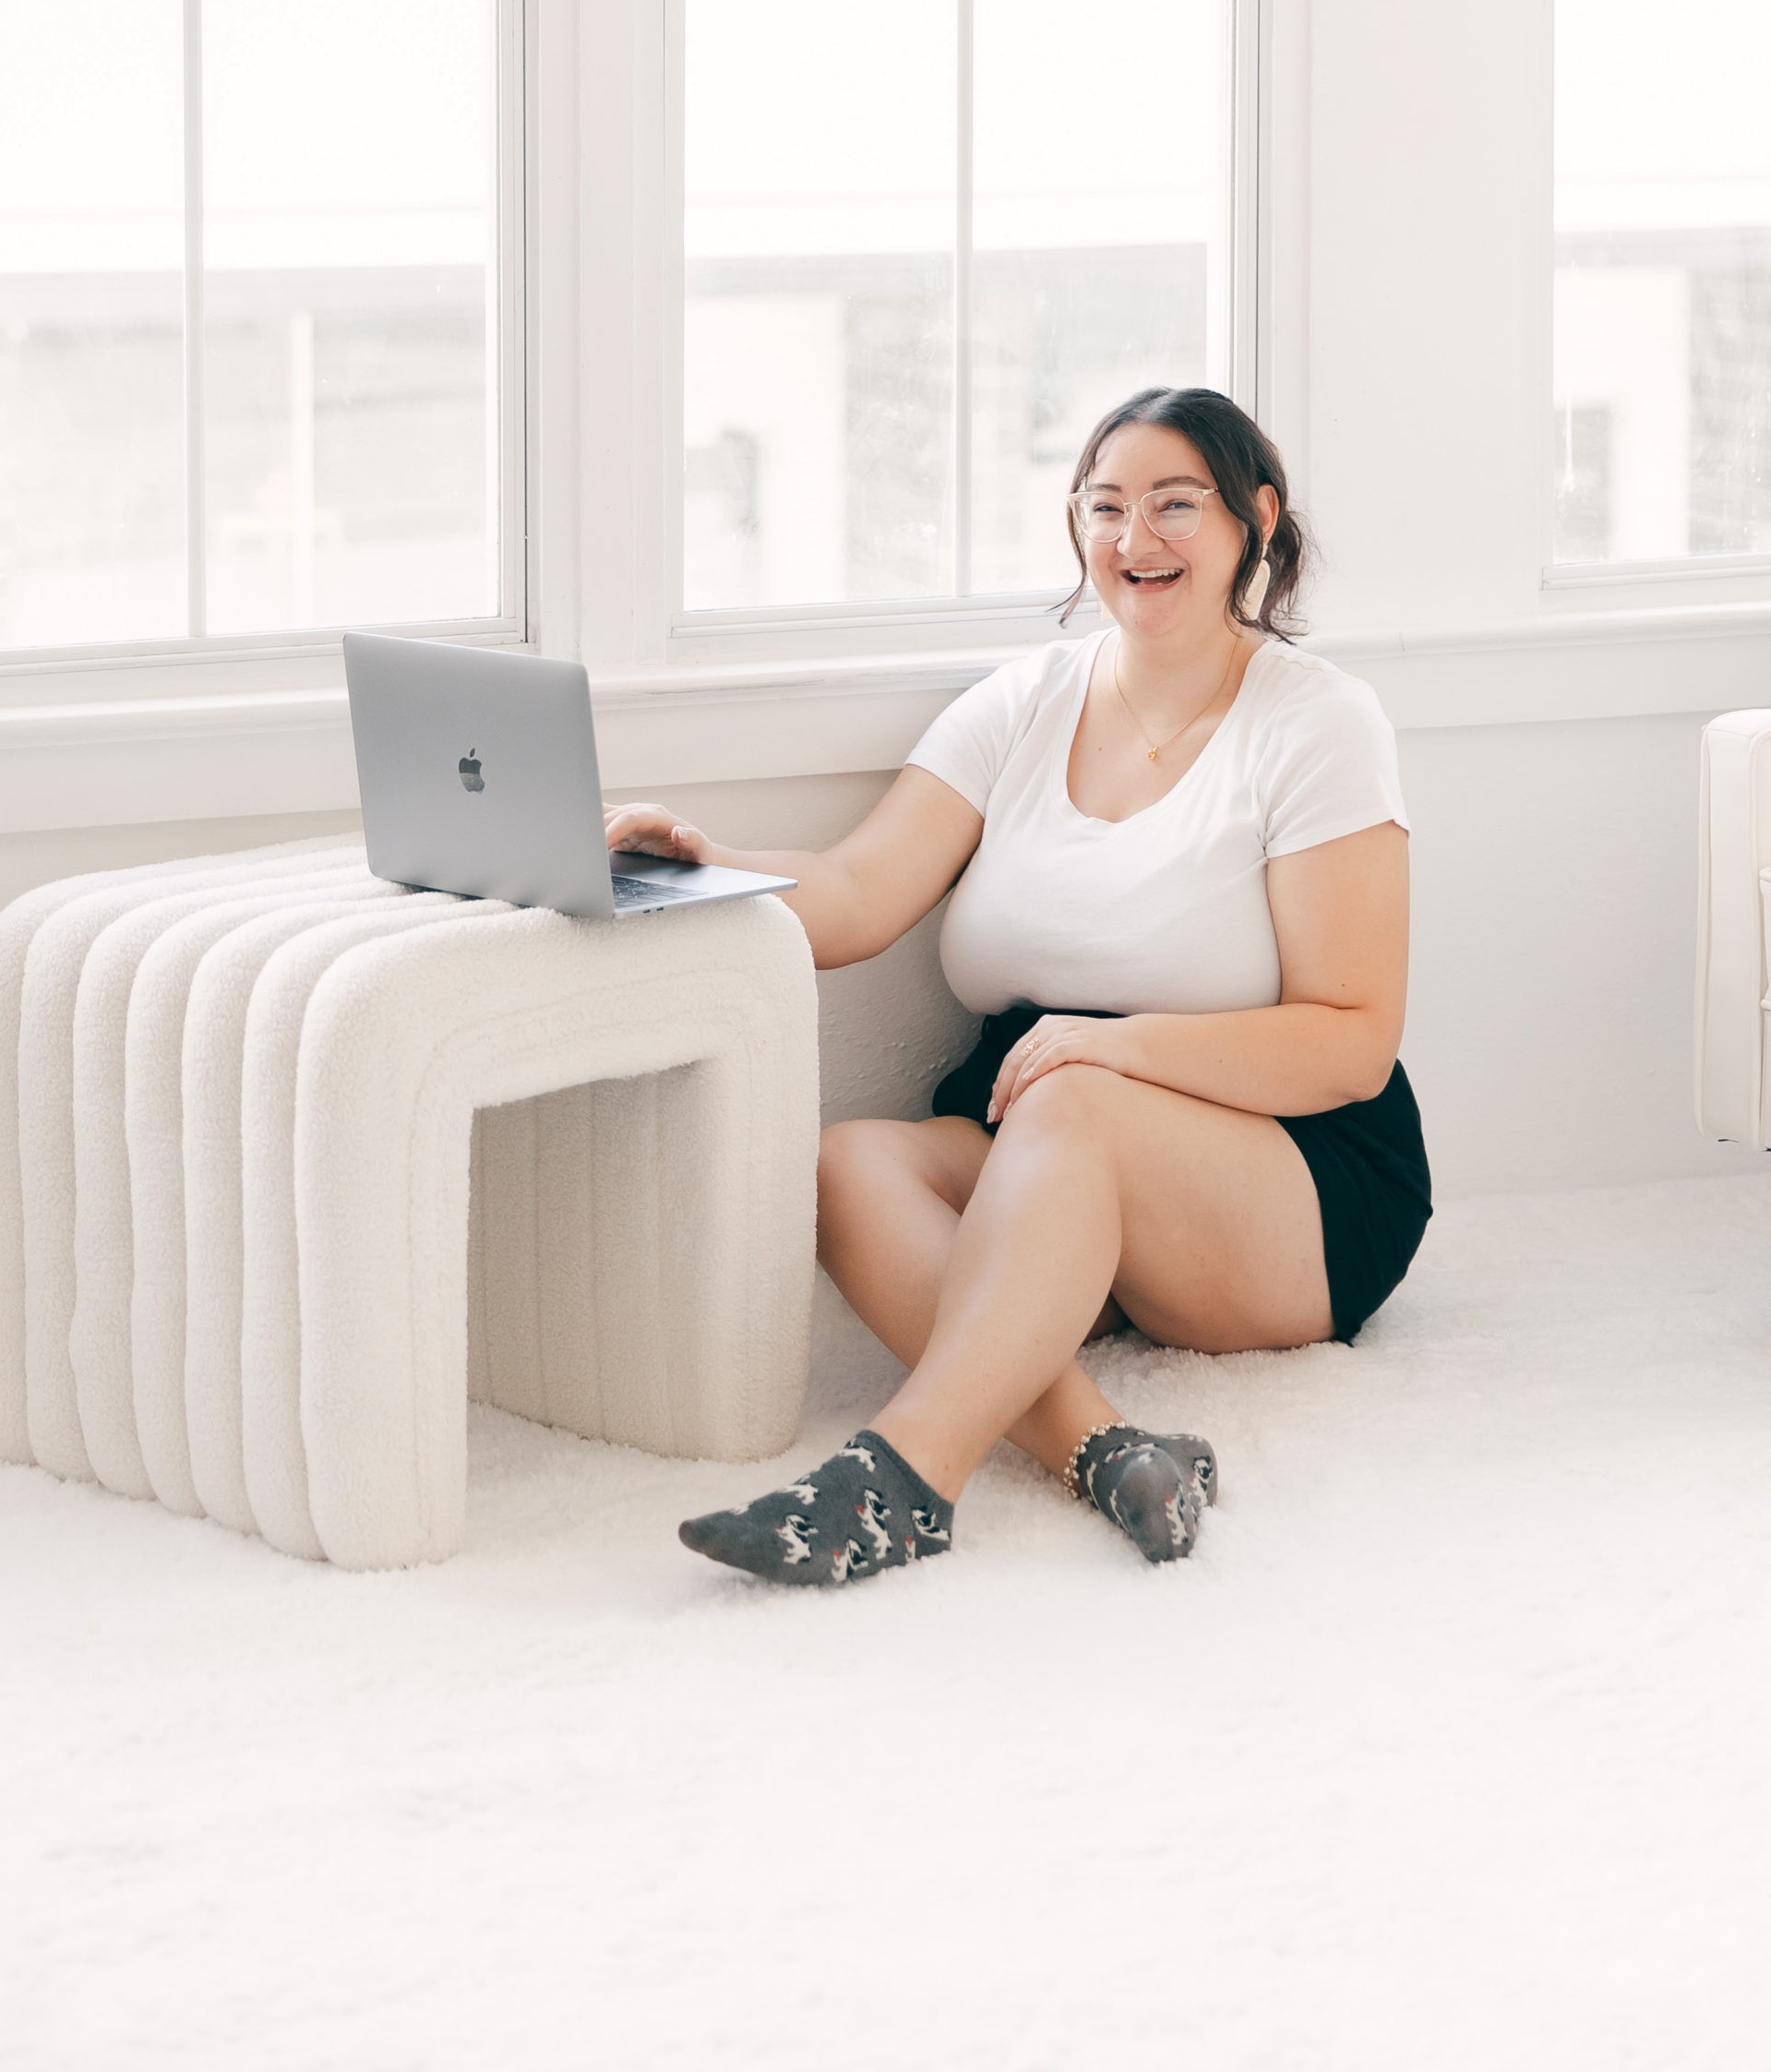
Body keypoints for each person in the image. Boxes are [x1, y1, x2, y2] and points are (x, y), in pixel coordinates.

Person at [604, 387, 1430, 1585]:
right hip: (1054, 1136)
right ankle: (1108, 1449)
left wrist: (1117, 1049)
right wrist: (700, 862)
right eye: (1104, 508)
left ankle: (904, 1478)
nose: (1134, 541)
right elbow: (852, 895)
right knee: (847, 1162)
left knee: (1073, 1093)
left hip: (1293, 1175)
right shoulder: (1024, 702)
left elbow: (1353, 1040)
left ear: (1256, 520)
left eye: (1174, 507)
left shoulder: (1319, 723)